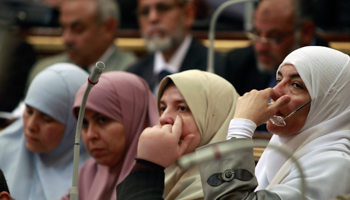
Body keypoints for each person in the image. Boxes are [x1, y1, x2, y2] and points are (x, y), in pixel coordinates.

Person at [119, 46, 350, 199]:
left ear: (330, 103)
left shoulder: (335, 163)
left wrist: (242, 125)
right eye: (278, 79)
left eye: (296, 85)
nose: (273, 92)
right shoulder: (279, 152)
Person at [117, 69, 240, 199]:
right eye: (163, 108)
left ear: (216, 119)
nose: (164, 118)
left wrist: (148, 165)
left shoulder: (223, 189)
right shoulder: (169, 172)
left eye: (182, 108)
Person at [61, 71, 158, 200]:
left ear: (134, 118)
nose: (90, 135)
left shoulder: (162, 177)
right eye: (84, 123)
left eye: (102, 120)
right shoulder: (89, 173)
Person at [0, 63, 91, 200]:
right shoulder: (3, 149)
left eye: (47, 119)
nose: (31, 126)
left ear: (75, 125)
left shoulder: (95, 176)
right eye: (29, 111)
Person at [223, 0, 329, 97]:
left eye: (274, 36)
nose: (261, 47)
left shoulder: (331, 72)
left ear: (306, 32)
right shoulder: (239, 63)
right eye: (257, 33)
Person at [26, 0, 137, 88]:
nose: (66, 39)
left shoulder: (130, 73)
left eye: (78, 29)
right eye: (63, 28)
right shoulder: (45, 71)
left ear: (108, 28)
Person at [127, 0, 226, 95]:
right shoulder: (134, 75)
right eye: (144, 12)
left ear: (188, 14)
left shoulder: (217, 67)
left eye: (163, 8)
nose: (152, 18)